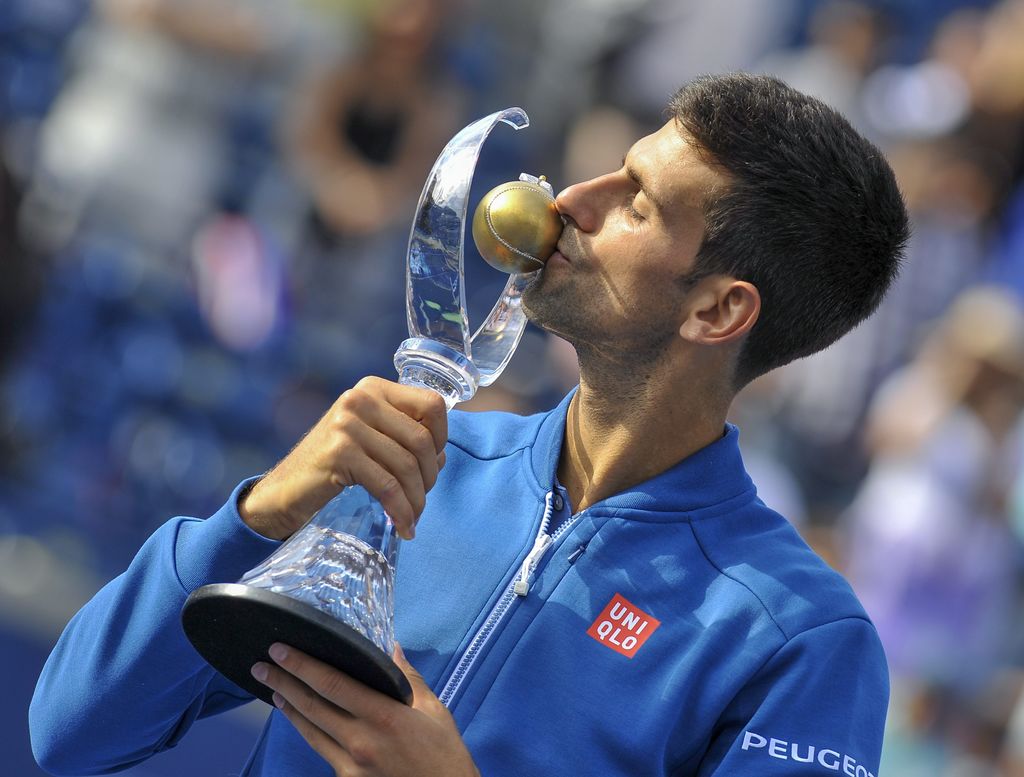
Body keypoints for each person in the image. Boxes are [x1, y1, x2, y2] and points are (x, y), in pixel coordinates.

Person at [29, 73, 909, 777]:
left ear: (718, 311)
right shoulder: (421, 465)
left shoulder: (797, 640)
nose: (575, 198)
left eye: (637, 203)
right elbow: (73, 730)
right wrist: (257, 516)